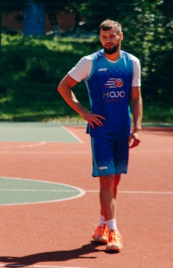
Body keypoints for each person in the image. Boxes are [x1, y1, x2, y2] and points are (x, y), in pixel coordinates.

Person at [57, 19, 143, 253]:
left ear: (120, 36)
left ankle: (102, 225)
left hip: (122, 130)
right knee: (106, 180)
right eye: (104, 37)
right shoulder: (89, 62)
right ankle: (114, 230)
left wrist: (137, 128)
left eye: (112, 36)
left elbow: (136, 98)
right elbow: (64, 86)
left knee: (114, 180)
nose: (108, 40)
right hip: (101, 130)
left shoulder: (132, 62)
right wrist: (83, 112)